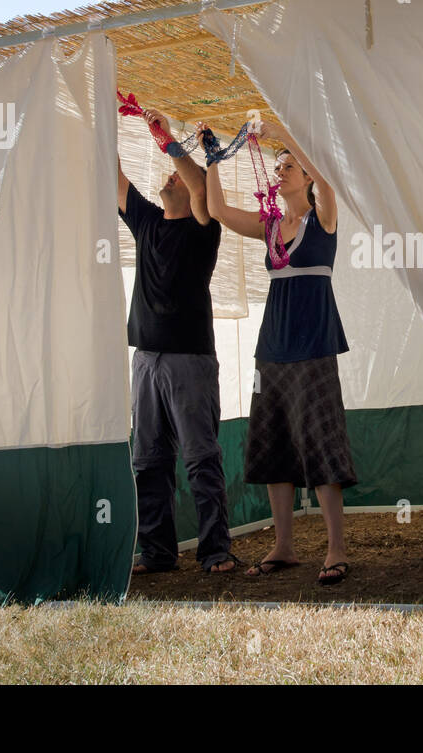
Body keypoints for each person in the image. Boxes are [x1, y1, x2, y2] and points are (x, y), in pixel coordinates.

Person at [204, 117, 356, 585]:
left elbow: (326, 178)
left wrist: (284, 133)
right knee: (272, 446)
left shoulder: (324, 215)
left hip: (314, 347)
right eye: (280, 165)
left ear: (307, 177)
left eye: (290, 165)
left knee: (322, 445)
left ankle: (335, 548)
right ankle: (284, 546)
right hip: (271, 351)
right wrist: (212, 158)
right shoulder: (270, 225)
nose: (281, 170)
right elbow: (218, 210)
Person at [117, 107, 238, 575]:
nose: (169, 179)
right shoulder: (146, 220)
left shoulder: (203, 231)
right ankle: (158, 553)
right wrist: (102, 113)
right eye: (168, 174)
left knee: (201, 458)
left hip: (191, 362)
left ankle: (215, 551)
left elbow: (203, 187)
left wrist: (167, 141)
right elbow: (115, 177)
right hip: (145, 360)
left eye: (177, 177)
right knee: (148, 462)